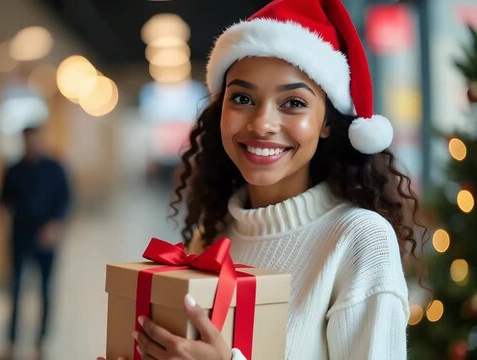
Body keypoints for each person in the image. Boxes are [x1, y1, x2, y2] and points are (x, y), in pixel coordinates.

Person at [100, 0, 425, 359]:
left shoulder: (359, 239)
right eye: (242, 98)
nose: (262, 124)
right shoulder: (212, 235)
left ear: (328, 121)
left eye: (293, 103)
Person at [0, 126, 71, 360]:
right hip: (20, 237)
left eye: (35, 140)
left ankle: (40, 344)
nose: (32, 144)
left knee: (45, 290)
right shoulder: (13, 170)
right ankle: (11, 344)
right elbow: (2, 200)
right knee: (16, 290)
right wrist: (3, 216)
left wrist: (55, 226)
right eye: (28, 140)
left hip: (46, 239)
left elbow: (66, 200)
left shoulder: (55, 168)